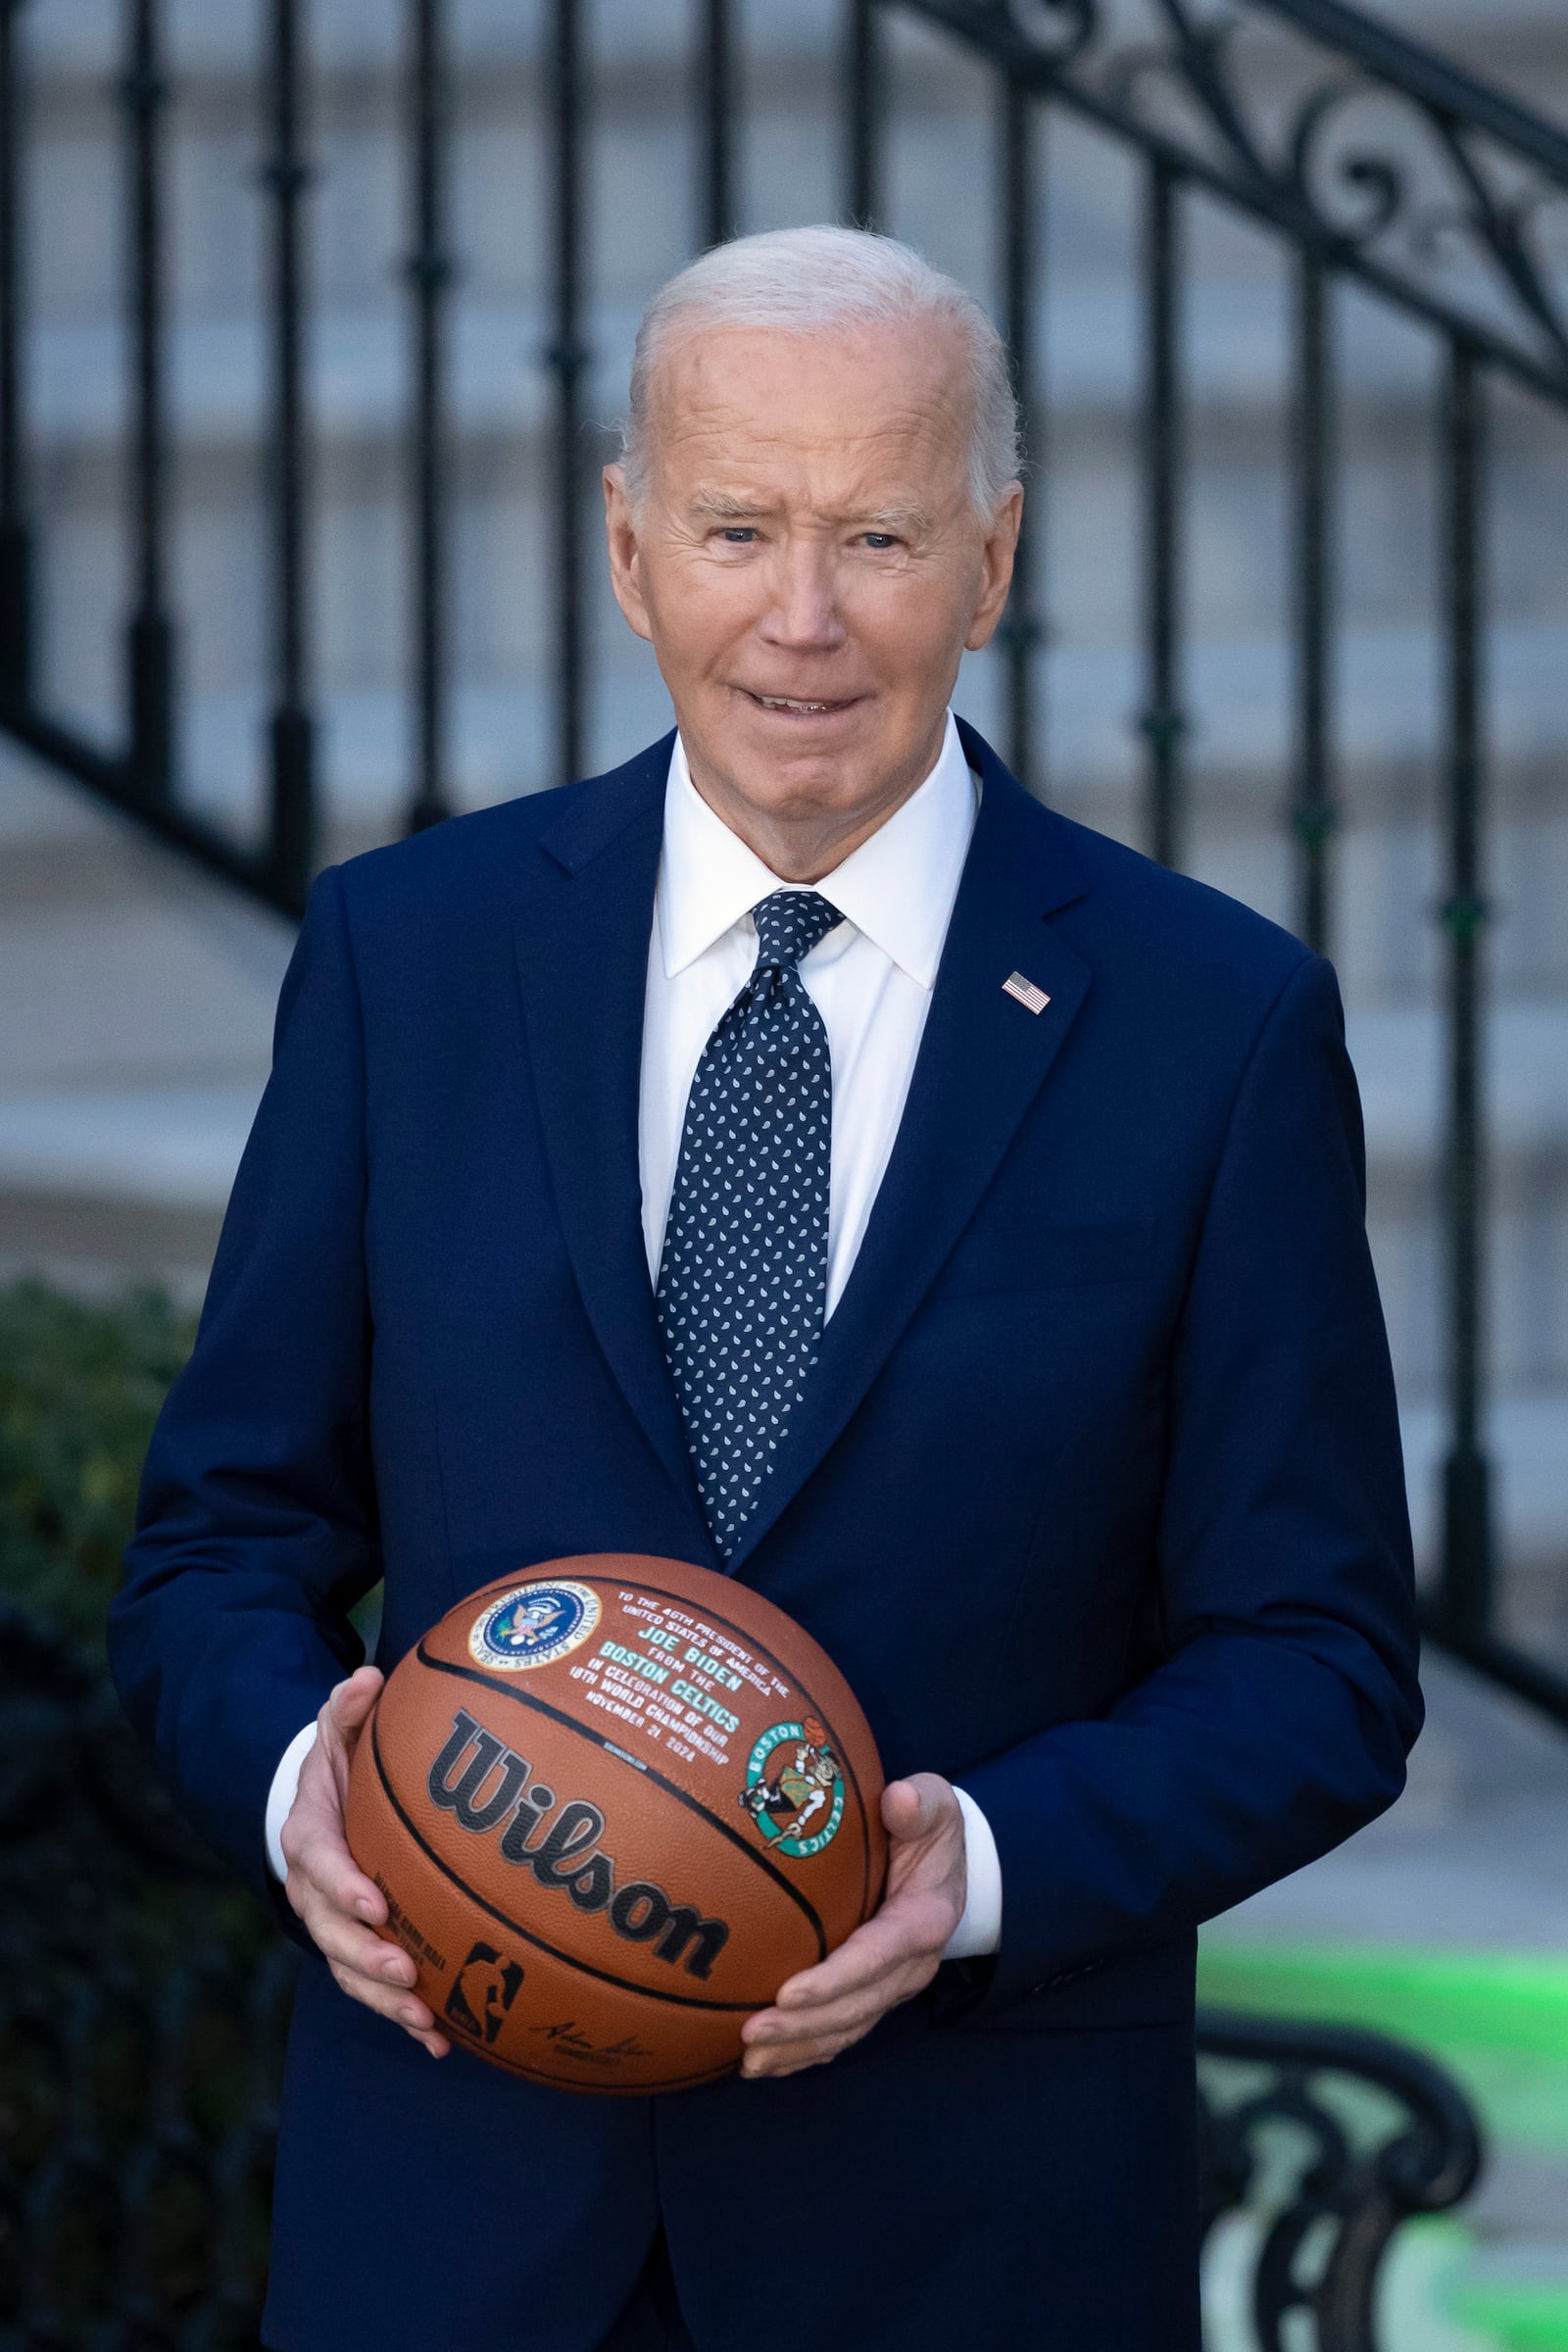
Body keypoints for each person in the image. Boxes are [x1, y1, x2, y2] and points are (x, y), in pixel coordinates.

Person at [111, 224, 1421, 2352]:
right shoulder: (406, 961)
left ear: (989, 563)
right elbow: (215, 1554)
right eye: (736, 528)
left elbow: (1316, 1659)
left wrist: (974, 1870)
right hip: (456, 2218)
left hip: (967, 2245)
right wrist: (309, 1795)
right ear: (629, 553)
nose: (799, 620)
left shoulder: (1213, 1025)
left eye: (877, 533)